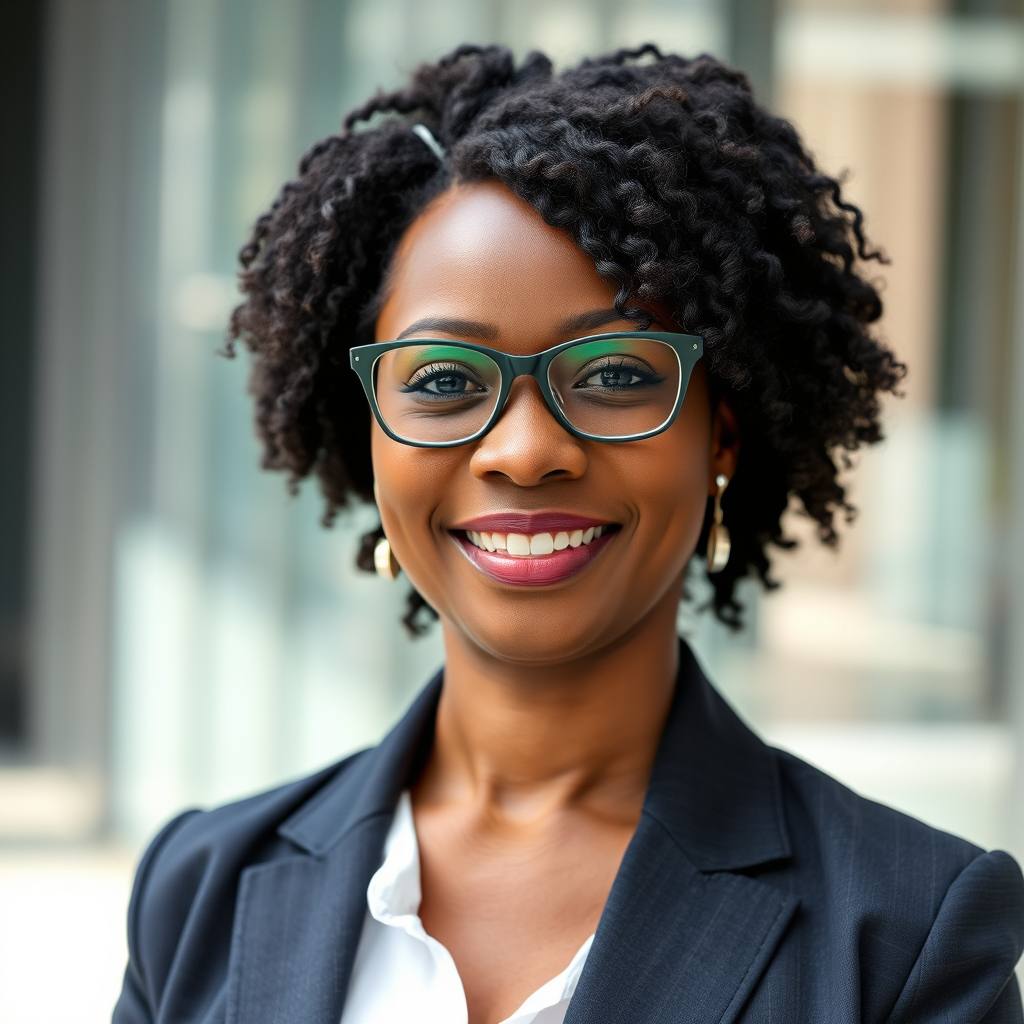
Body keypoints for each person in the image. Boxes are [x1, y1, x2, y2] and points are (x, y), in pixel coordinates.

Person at [112, 44, 1024, 1024]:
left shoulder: (905, 939)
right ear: (369, 433)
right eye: (443, 379)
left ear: (719, 435)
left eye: (615, 374)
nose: (523, 452)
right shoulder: (198, 892)